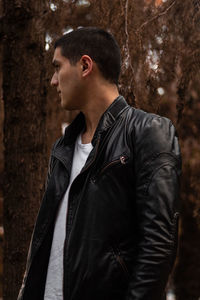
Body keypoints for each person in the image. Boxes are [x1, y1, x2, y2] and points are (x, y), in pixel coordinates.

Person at [18, 27, 181, 300]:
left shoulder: (147, 131)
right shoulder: (63, 148)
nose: (53, 81)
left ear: (84, 65)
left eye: (57, 68)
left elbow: (158, 245)